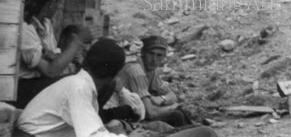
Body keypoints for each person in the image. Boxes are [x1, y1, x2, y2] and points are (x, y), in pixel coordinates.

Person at [16, 39, 218, 137]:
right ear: (113, 75)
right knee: (205, 133)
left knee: (181, 130)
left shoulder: (79, 84)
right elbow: (93, 136)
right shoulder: (78, 88)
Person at [15, 0, 86, 108]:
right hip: (20, 88)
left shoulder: (46, 23)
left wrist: (54, 56)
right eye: (60, 3)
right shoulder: (24, 27)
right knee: (74, 84)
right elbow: (51, 71)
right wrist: (75, 43)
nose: (59, 7)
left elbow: (53, 58)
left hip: (38, 83)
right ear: (51, 4)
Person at [117, 36, 192, 127]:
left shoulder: (150, 69)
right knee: (177, 114)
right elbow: (151, 113)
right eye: (151, 54)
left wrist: (162, 99)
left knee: (182, 112)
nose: (154, 59)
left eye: (159, 55)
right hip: (126, 119)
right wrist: (173, 107)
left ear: (164, 57)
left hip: (138, 113)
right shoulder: (135, 70)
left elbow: (172, 95)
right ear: (143, 53)